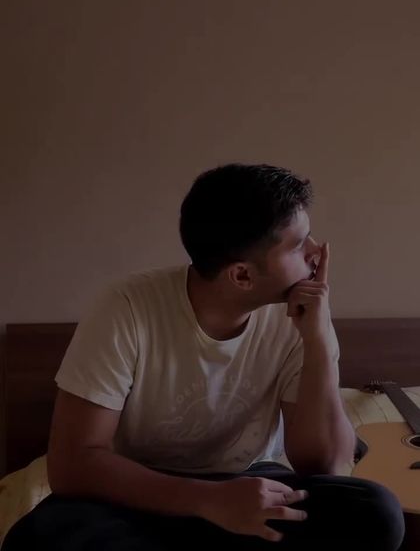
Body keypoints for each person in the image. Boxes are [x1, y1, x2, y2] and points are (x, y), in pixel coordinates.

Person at [3, 164, 404, 550]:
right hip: (136, 493)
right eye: (299, 245)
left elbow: (325, 465)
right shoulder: (126, 307)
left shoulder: (300, 314)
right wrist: (208, 500)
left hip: (250, 488)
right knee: (39, 537)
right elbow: (73, 463)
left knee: (375, 512)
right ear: (242, 275)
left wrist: (319, 343)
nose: (317, 252)